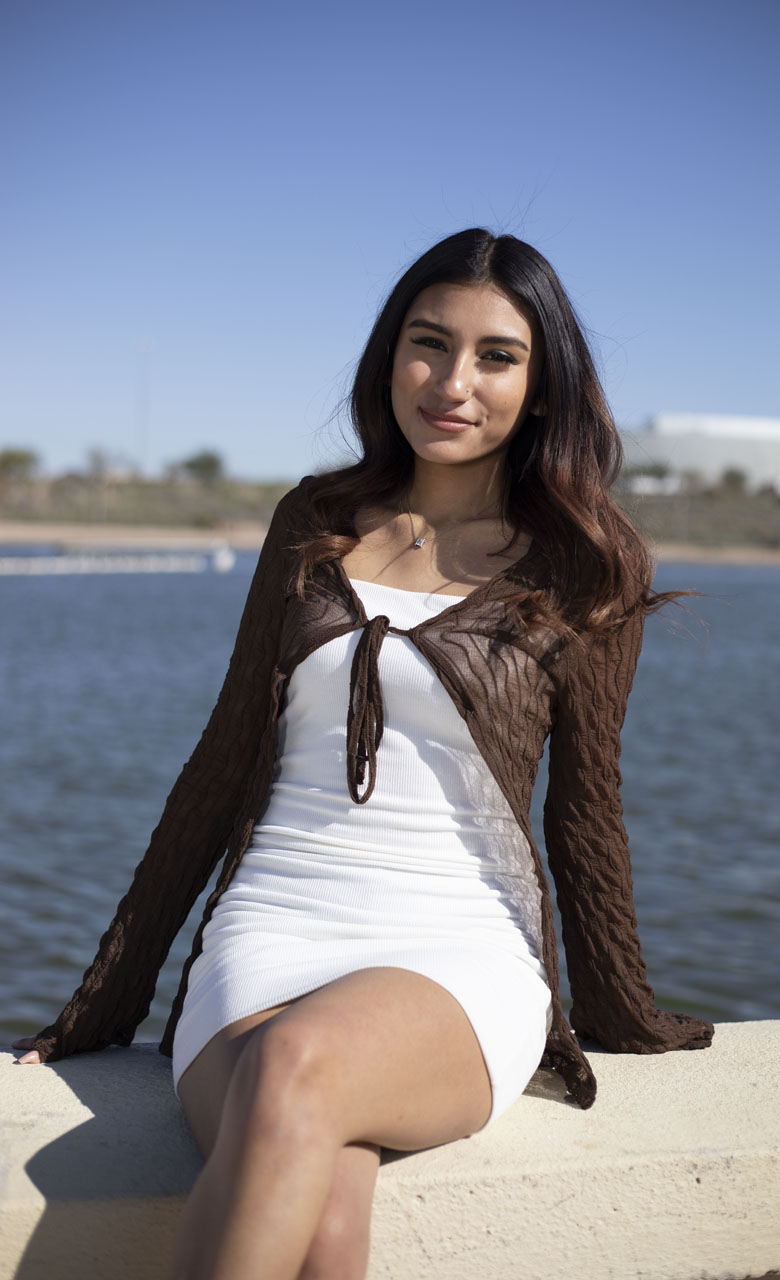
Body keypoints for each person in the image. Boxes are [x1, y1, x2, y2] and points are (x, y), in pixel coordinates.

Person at [14, 228, 713, 1280]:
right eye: (429, 343)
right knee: (326, 1209)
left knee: (296, 1068)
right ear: (389, 353)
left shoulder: (583, 563)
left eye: (496, 356)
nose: (453, 382)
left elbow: (584, 811)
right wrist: (105, 1003)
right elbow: (221, 761)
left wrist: (617, 1009)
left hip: (455, 945)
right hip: (266, 933)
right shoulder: (314, 519)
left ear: (543, 382)